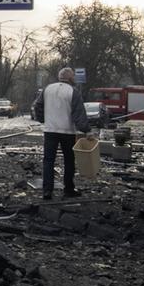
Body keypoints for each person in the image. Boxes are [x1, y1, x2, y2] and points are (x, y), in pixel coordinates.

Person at [32, 67, 91, 200]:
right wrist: (87, 130)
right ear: (70, 78)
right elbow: (79, 114)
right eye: (73, 77)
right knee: (69, 160)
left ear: (60, 77)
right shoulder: (73, 92)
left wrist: (42, 119)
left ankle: (47, 191)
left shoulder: (48, 89)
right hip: (67, 131)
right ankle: (68, 189)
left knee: (48, 161)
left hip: (50, 130)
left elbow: (38, 105)